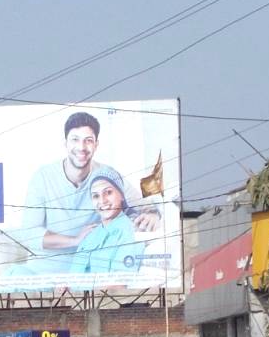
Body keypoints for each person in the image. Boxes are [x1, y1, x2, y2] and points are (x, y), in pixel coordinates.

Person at [10, 111, 160, 277]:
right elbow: (29, 234)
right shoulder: (43, 177)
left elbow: (144, 207)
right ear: (65, 143)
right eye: (75, 139)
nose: (81, 147)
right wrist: (75, 240)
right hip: (41, 275)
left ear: (96, 145)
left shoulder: (106, 176)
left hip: (86, 277)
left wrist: (153, 214)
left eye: (88, 141)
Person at [71, 169, 142, 278]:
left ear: (122, 195)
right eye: (95, 196)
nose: (102, 201)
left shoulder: (130, 232)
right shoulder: (89, 234)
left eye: (108, 192)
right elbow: (72, 276)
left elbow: (118, 285)